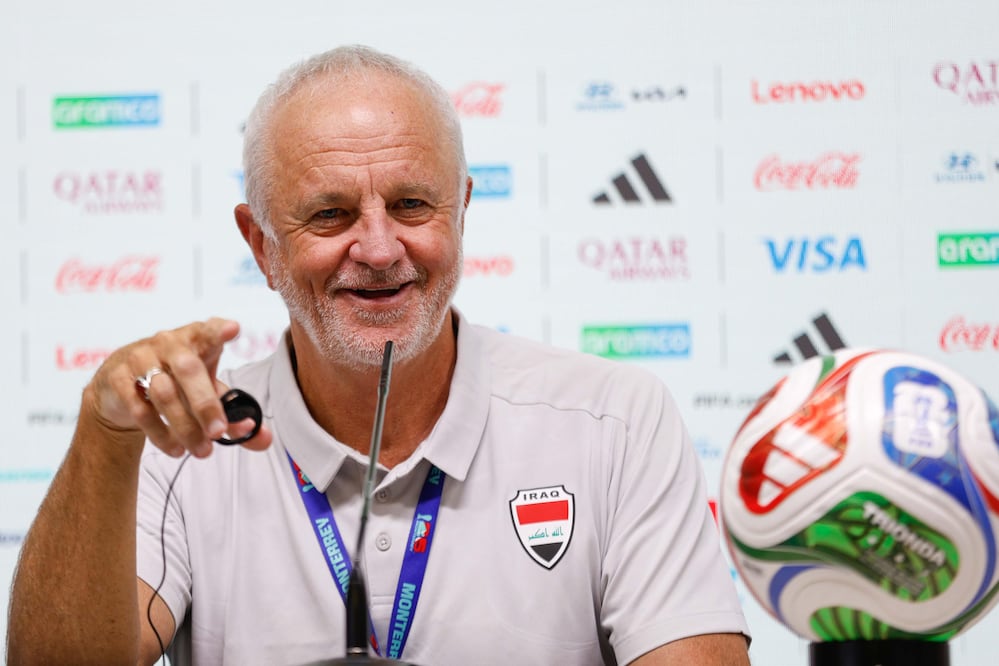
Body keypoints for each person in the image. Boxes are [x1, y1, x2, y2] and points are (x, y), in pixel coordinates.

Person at [6, 45, 751, 665]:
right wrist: (107, 439)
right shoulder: (181, 439)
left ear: (460, 211)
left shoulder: (611, 420)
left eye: (411, 205)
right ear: (261, 245)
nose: (378, 248)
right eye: (330, 213)